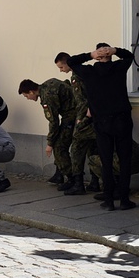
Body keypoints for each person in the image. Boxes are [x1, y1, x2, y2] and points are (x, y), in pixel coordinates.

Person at [66, 44, 136, 211]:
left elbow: (71, 61)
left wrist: (90, 54)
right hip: (122, 119)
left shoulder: (88, 72)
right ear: (110, 55)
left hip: (102, 121)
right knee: (124, 160)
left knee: (106, 161)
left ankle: (109, 200)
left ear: (97, 56)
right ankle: (125, 199)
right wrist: (116, 51)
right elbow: (130, 56)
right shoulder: (119, 67)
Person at [18, 78, 76, 191]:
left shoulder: (47, 97)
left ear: (31, 92)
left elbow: (54, 122)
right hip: (72, 114)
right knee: (58, 142)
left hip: (73, 116)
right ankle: (59, 174)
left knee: (59, 146)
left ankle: (72, 179)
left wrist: (50, 143)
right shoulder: (48, 84)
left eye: (26, 96)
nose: (28, 99)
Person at [54, 52, 99, 195]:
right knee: (93, 149)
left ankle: (78, 183)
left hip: (85, 118)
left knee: (76, 150)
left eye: (61, 67)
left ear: (67, 63)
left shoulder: (76, 76)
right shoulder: (86, 71)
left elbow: (82, 100)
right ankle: (94, 182)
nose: (61, 70)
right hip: (96, 116)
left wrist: (80, 118)